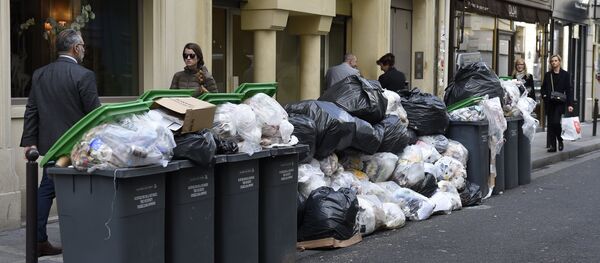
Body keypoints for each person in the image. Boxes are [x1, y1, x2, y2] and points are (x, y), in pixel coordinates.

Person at [20, 29, 101, 257]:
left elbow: (31, 109)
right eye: (83, 46)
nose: (84, 49)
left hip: (52, 147)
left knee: (46, 189)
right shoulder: (84, 75)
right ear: (76, 48)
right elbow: (95, 116)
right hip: (79, 149)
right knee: (83, 192)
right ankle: (82, 239)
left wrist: (30, 142)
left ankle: (37, 240)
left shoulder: (40, 74)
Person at [541, 54, 574, 152]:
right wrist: (544, 96)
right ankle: (553, 146)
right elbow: (543, 88)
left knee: (556, 122)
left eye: (555, 60)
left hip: (559, 103)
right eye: (552, 61)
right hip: (550, 103)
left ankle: (559, 139)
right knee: (550, 125)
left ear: (559, 62)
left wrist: (570, 104)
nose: (554, 62)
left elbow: (569, 90)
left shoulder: (565, 74)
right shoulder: (548, 75)